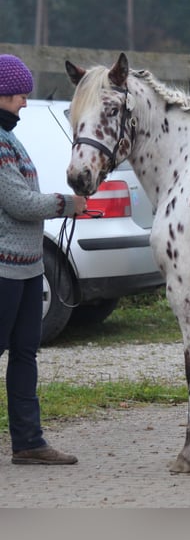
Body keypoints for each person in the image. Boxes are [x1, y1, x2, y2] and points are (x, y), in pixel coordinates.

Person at [0, 54, 88, 464]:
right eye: (20, 95)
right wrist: (66, 203)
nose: (25, 103)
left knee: (24, 354)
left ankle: (29, 443)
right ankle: (28, 440)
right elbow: (17, 202)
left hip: (28, 265)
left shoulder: (11, 138)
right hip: (3, 269)